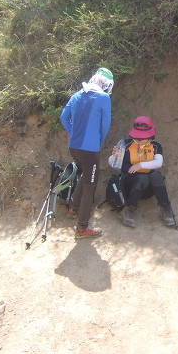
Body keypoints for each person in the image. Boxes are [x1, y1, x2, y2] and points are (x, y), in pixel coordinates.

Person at [60, 67, 114, 240]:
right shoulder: (104, 98)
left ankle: (74, 208)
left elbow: (63, 117)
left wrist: (73, 132)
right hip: (90, 150)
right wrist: (98, 142)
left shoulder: (76, 95)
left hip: (74, 147)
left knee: (85, 175)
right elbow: (105, 125)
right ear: (107, 84)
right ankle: (82, 228)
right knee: (90, 186)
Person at [112, 116, 176, 228]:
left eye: (142, 137)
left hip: (147, 188)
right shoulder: (126, 145)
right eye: (136, 137)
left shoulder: (156, 146)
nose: (139, 140)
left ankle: (166, 208)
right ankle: (128, 210)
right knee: (142, 178)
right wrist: (114, 156)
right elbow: (112, 163)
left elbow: (159, 163)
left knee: (156, 176)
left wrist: (140, 165)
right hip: (129, 186)